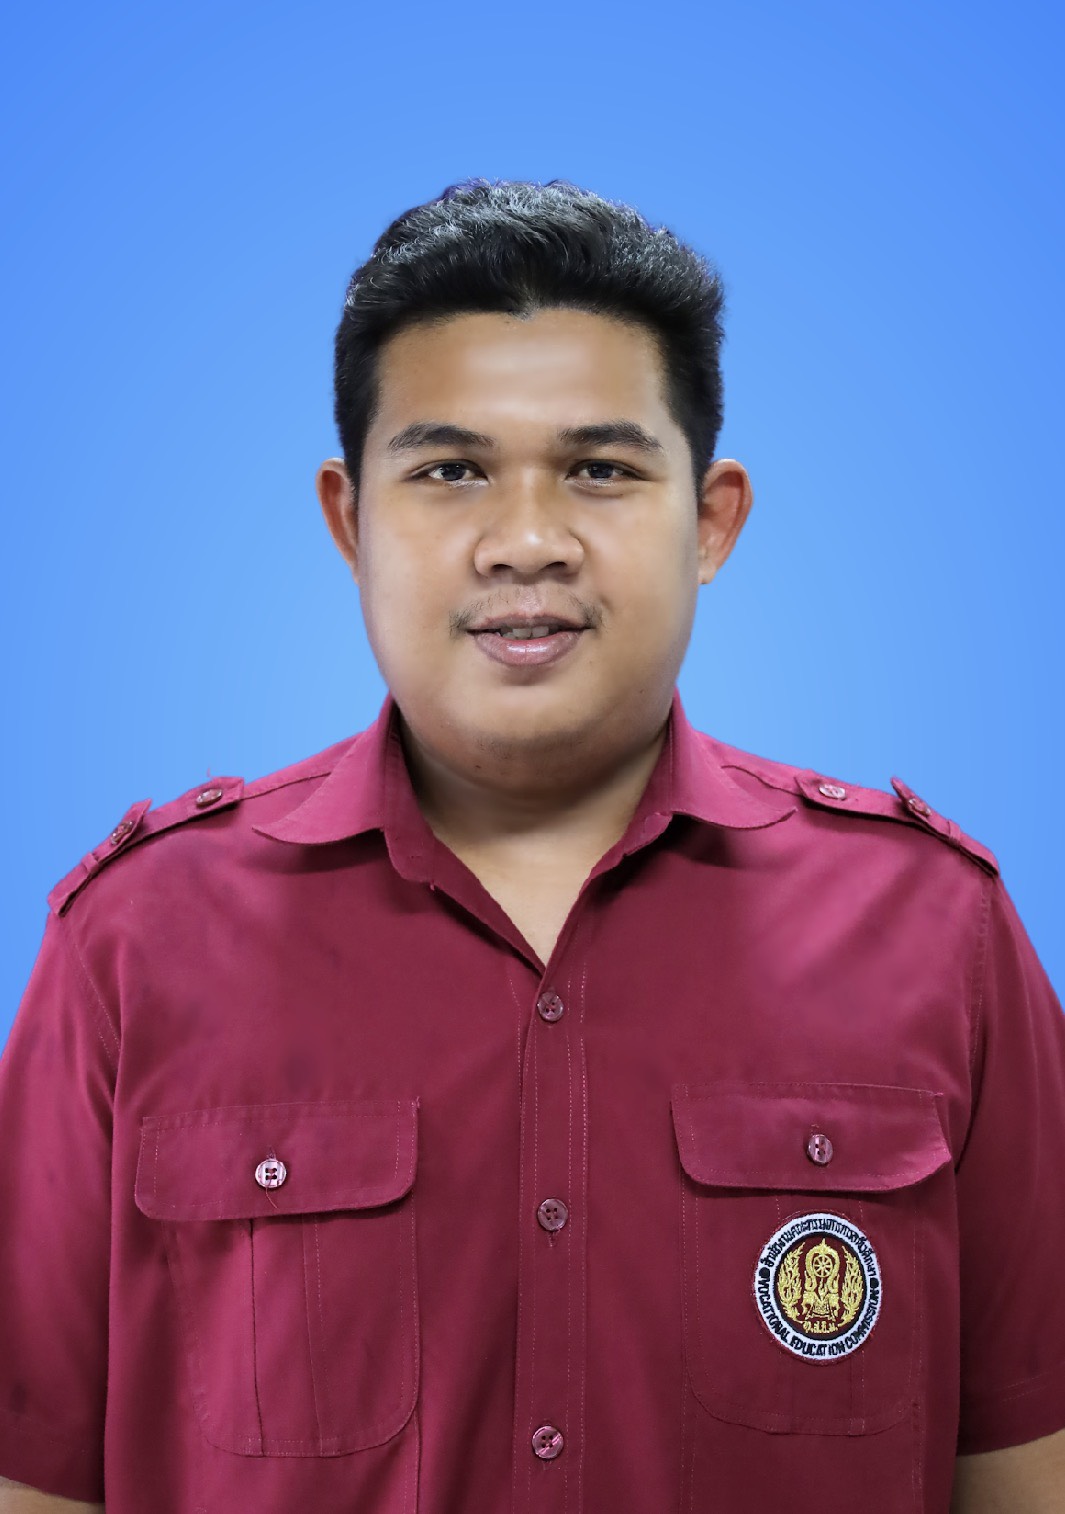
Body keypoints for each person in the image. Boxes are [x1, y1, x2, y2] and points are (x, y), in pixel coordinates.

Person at [1, 180, 1063, 1514]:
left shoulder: (937, 932)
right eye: (451, 471)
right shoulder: (134, 942)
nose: (525, 544)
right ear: (348, 519)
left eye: (599, 470)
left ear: (712, 519)